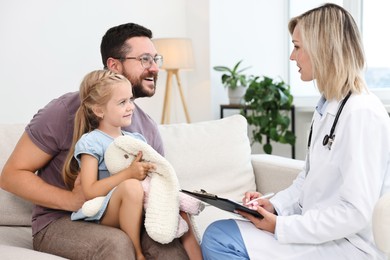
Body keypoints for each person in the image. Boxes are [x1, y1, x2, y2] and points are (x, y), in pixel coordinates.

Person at [201, 3, 390, 260]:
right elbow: (307, 179)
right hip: (318, 234)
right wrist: (275, 206)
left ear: (322, 49)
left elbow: (356, 213)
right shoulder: (329, 105)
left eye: (298, 47)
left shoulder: (362, 112)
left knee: (221, 238)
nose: (292, 56)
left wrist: (281, 226)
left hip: (350, 246)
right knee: (219, 232)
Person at [0, 23, 190, 259]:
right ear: (114, 65)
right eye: (144, 59)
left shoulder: (146, 129)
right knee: (118, 244)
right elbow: (11, 176)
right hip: (62, 221)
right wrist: (72, 200)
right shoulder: (63, 111)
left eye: (155, 59)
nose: (155, 68)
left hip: (124, 217)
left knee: (168, 248)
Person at [65, 70, 156, 260]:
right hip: (104, 212)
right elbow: (89, 191)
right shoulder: (92, 142)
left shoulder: (136, 139)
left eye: (130, 100)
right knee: (131, 186)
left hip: (137, 207)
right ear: (99, 110)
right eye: (122, 102)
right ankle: (137, 252)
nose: (130, 107)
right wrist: (129, 174)